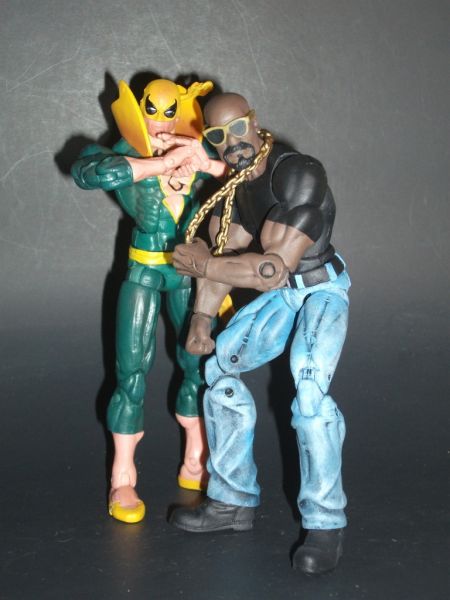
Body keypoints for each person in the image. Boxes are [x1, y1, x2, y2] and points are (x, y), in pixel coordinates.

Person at [169, 92, 351, 575]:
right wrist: (202, 318)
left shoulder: (298, 173)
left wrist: (205, 265)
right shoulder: (235, 190)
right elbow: (223, 255)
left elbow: (271, 269)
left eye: (237, 129)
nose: (231, 143)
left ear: (254, 122)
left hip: (320, 288)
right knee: (221, 369)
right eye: (217, 136)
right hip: (285, 295)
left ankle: (325, 523)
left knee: (309, 392)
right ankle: (232, 500)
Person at [71, 78, 226, 523]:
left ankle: (195, 459)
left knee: (199, 364)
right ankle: (123, 477)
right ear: (140, 111)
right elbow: (89, 172)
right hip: (142, 270)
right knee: (131, 372)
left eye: (170, 111)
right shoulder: (125, 151)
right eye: (152, 111)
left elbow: (246, 176)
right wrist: (159, 164)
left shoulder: (197, 149)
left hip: (186, 272)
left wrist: (205, 163)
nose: (162, 122)